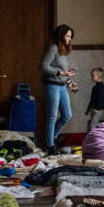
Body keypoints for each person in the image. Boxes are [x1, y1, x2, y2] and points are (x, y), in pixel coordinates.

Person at [41, 24, 77, 154]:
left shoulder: (63, 51)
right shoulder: (54, 48)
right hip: (51, 85)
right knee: (52, 116)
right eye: (68, 36)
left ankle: (50, 140)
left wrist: (69, 81)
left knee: (67, 115)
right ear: (61, 35)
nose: (69, 39)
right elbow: (44, 66)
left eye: (70, 37)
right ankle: (50, 145)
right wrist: (62, 74)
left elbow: (63, 71)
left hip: (62, 86)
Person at [86, 67, 104, 131]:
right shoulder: (95, 87)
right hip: (93, 108)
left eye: (93, 76)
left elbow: (101, 99)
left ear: (99, 77)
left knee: (93, 124)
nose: (91, 77)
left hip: (97, 109)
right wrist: (88, 109)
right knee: (93, 123)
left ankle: (94, 138)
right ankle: (95, 136)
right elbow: (92, 99)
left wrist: (97, 109)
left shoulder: (101, 87)